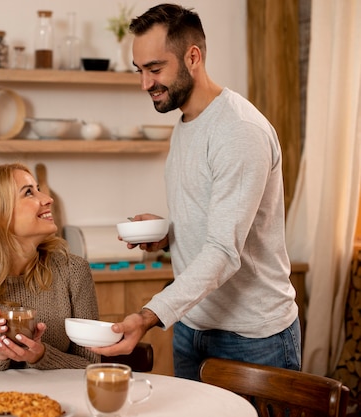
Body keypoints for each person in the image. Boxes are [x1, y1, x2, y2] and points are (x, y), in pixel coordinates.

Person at [91, 3, 301, 380]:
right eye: (140, 71)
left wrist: (146, 317)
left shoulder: (238, 131)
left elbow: (223, 250)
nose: (145, 84)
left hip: (252, 336)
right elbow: (218, 220)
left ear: (193, 57)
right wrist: (169, 234)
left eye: (155, 69)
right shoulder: (187, 122)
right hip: (193, 326)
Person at [0, 162, 99, 371]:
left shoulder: (74, 271)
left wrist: (41, 355)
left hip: (60, 401)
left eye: (39, 190)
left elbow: (91, 367)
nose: (48, 199)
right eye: (28, 193)